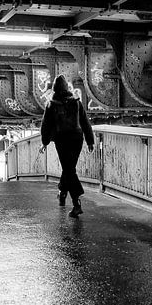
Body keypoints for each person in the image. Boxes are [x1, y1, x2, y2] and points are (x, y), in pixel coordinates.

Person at [39, 74, 94, 217]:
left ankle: (77, 204)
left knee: (69, 170)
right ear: (67, 88)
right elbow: (85, 122)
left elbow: (45, 125)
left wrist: (44, 143)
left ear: (55, 89)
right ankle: (62, 193)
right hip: (77, 139)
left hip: (62, 140)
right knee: (69, 168)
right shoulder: (76, 102)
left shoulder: (51, 104)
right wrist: (90, 141)